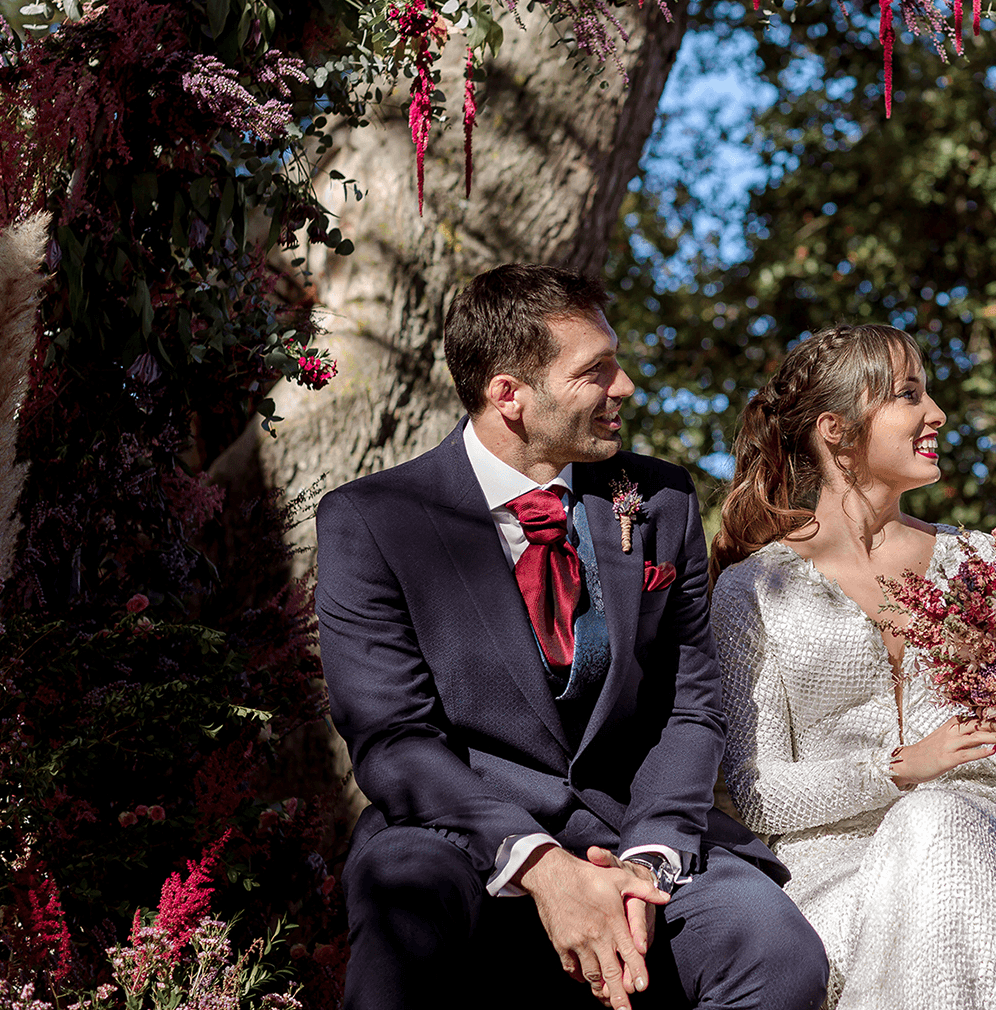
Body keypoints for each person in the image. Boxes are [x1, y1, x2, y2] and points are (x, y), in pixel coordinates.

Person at [314, 264, 828, 1010]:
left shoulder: (661, 500)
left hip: (636, 832)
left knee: (774, 950)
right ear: (508, 396)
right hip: (460, 838)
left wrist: (649, 860)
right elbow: (394, 740)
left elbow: (690, 707)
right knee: (403, 899)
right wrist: (543, 866)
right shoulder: (373, 520)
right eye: (597, 371)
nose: (624, 388)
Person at [707, 324, 996, 1010]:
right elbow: (756, 794)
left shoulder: (978, 564)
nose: (937, 413)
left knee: (941, 826)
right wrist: (895, 769)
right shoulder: (752, 592)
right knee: (926, 828)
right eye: (908, 394)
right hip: (836, 881)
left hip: (986, 848)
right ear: (837, 430)